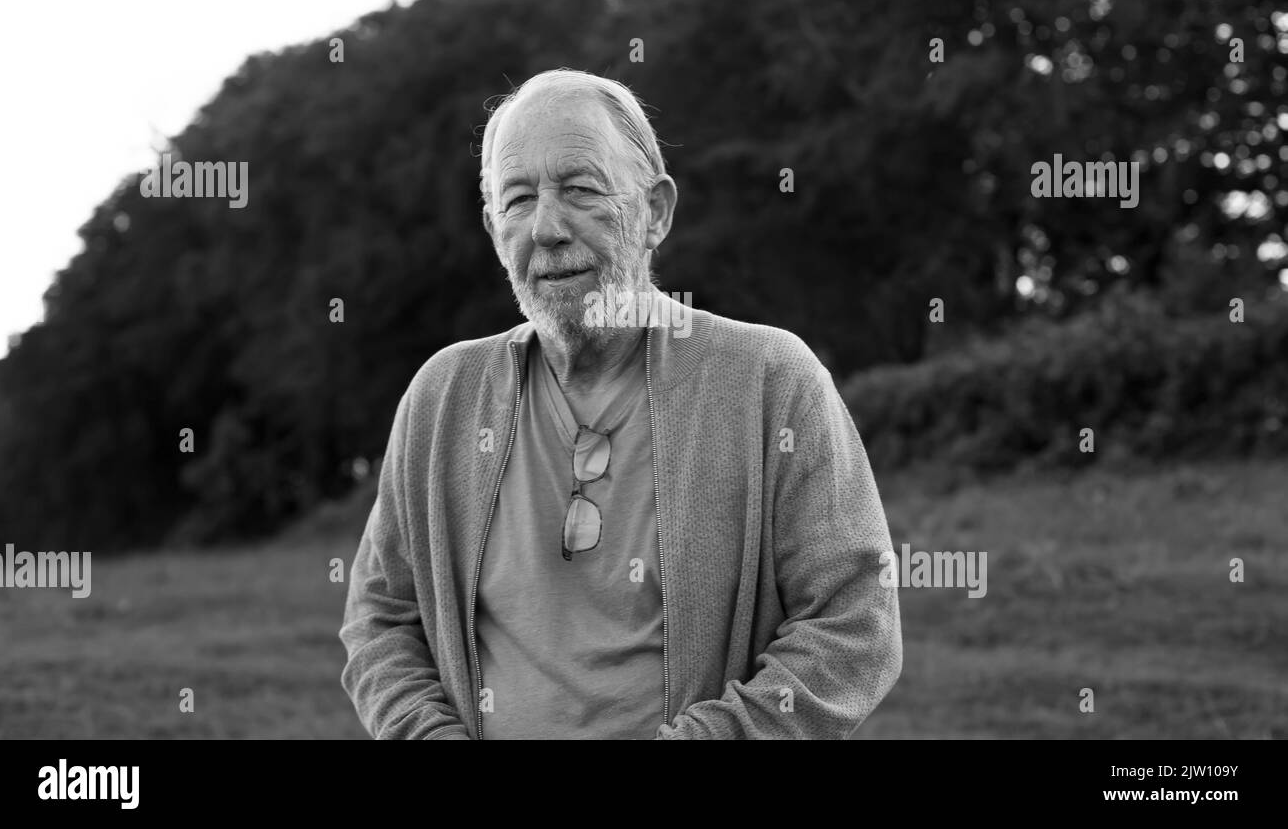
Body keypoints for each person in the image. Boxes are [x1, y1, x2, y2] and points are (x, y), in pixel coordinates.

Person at [338, 68, 902, 739]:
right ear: (494, 231)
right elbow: (380, 620)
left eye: (579, 189)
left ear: (657, 211)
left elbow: (853, 622)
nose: (546, 227)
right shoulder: (444, 395)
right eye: (518, 200)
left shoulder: (770, 379)